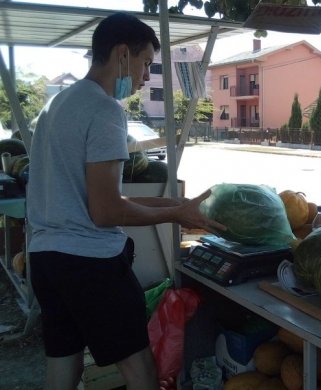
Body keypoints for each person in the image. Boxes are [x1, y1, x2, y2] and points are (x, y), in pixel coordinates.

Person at [27, 13, 225, 390]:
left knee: (63, 361)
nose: (146, 76)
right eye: (146, 63)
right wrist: (173, 214)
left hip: (47, 260)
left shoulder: (56, 106)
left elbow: (99, 197)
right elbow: (106, 212)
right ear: (121, 54)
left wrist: (175, 204)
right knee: (141, 372)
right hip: (90, 265)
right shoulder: (105, 110)